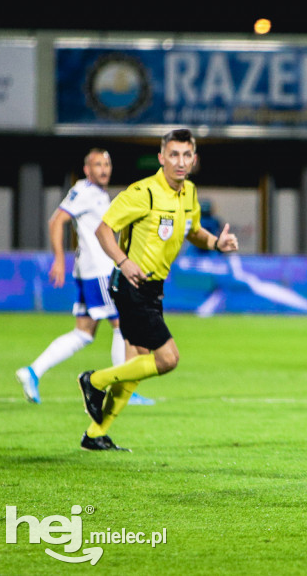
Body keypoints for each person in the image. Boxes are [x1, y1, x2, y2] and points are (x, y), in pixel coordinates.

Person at [76, 129, 239, 452]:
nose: (180, 162)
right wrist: (123, 261)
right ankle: (93, 381)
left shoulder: (188, 192)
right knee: (167, 359)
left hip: (153, 288)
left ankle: (95, 434)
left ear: (194, 160)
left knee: (136, 363)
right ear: (161, 157)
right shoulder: (144, 192)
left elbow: (194, 231)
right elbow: (103, 229)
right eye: (173, 155)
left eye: (186, 155)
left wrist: (216, 243)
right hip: (131, 284)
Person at [14, 149, 153, 407]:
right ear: (87, 170)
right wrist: (58, 258)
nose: (104, 169)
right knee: (122, 325)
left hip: (90, 270)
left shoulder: (95, 194)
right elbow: (56, 221)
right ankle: (122, 389)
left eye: (107, 164)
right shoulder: (85, 192)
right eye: (97, 165)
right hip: (99, 270)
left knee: (84, 333)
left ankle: (33, 372)